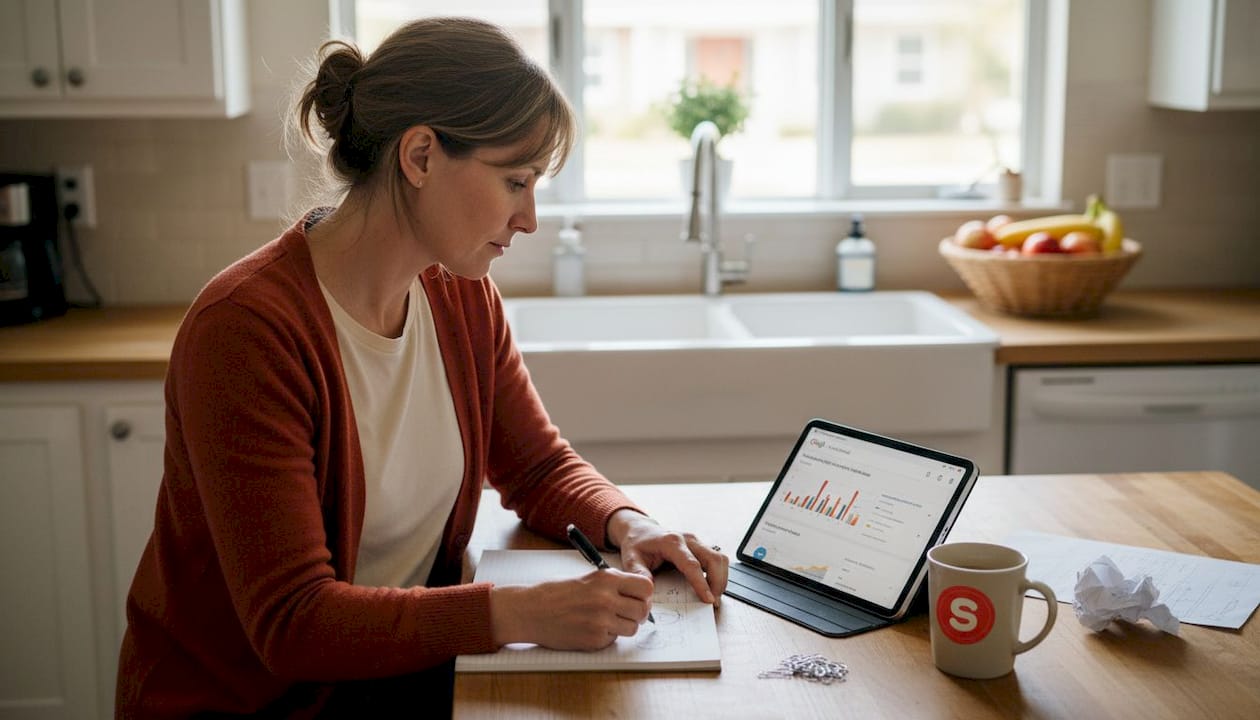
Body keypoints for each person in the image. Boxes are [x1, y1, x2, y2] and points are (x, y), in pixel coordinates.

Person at [115, 16, 728, 718]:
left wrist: (628, 523)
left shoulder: (460, 296)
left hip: (395, 681)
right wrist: (518, 614)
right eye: (515, 181)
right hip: (252, 705)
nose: (530, 218)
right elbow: (293, 623)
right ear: (420, 157)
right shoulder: (246, 332)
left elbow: (535, 467)